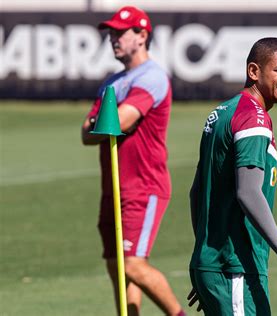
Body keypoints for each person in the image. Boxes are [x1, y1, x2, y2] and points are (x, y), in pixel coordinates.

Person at [187, 37, 277, 315]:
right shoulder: (252, 118)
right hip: (235, 266)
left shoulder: (222, 113)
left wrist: (205, 259)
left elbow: (197, 192)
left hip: (215, 265)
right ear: (254, 71)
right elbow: (249, 192)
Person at [81, 6, 185, 316]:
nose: (113, 38)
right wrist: (100, 122)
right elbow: (87, 133)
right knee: (117, 268)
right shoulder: (112, 82)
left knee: (133, 265)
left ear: (141, 35)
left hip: (144, 186)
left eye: (120, 32)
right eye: (111, 32)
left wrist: (100, 121)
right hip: (113, 187)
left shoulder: (152, 76)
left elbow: (120, 121)